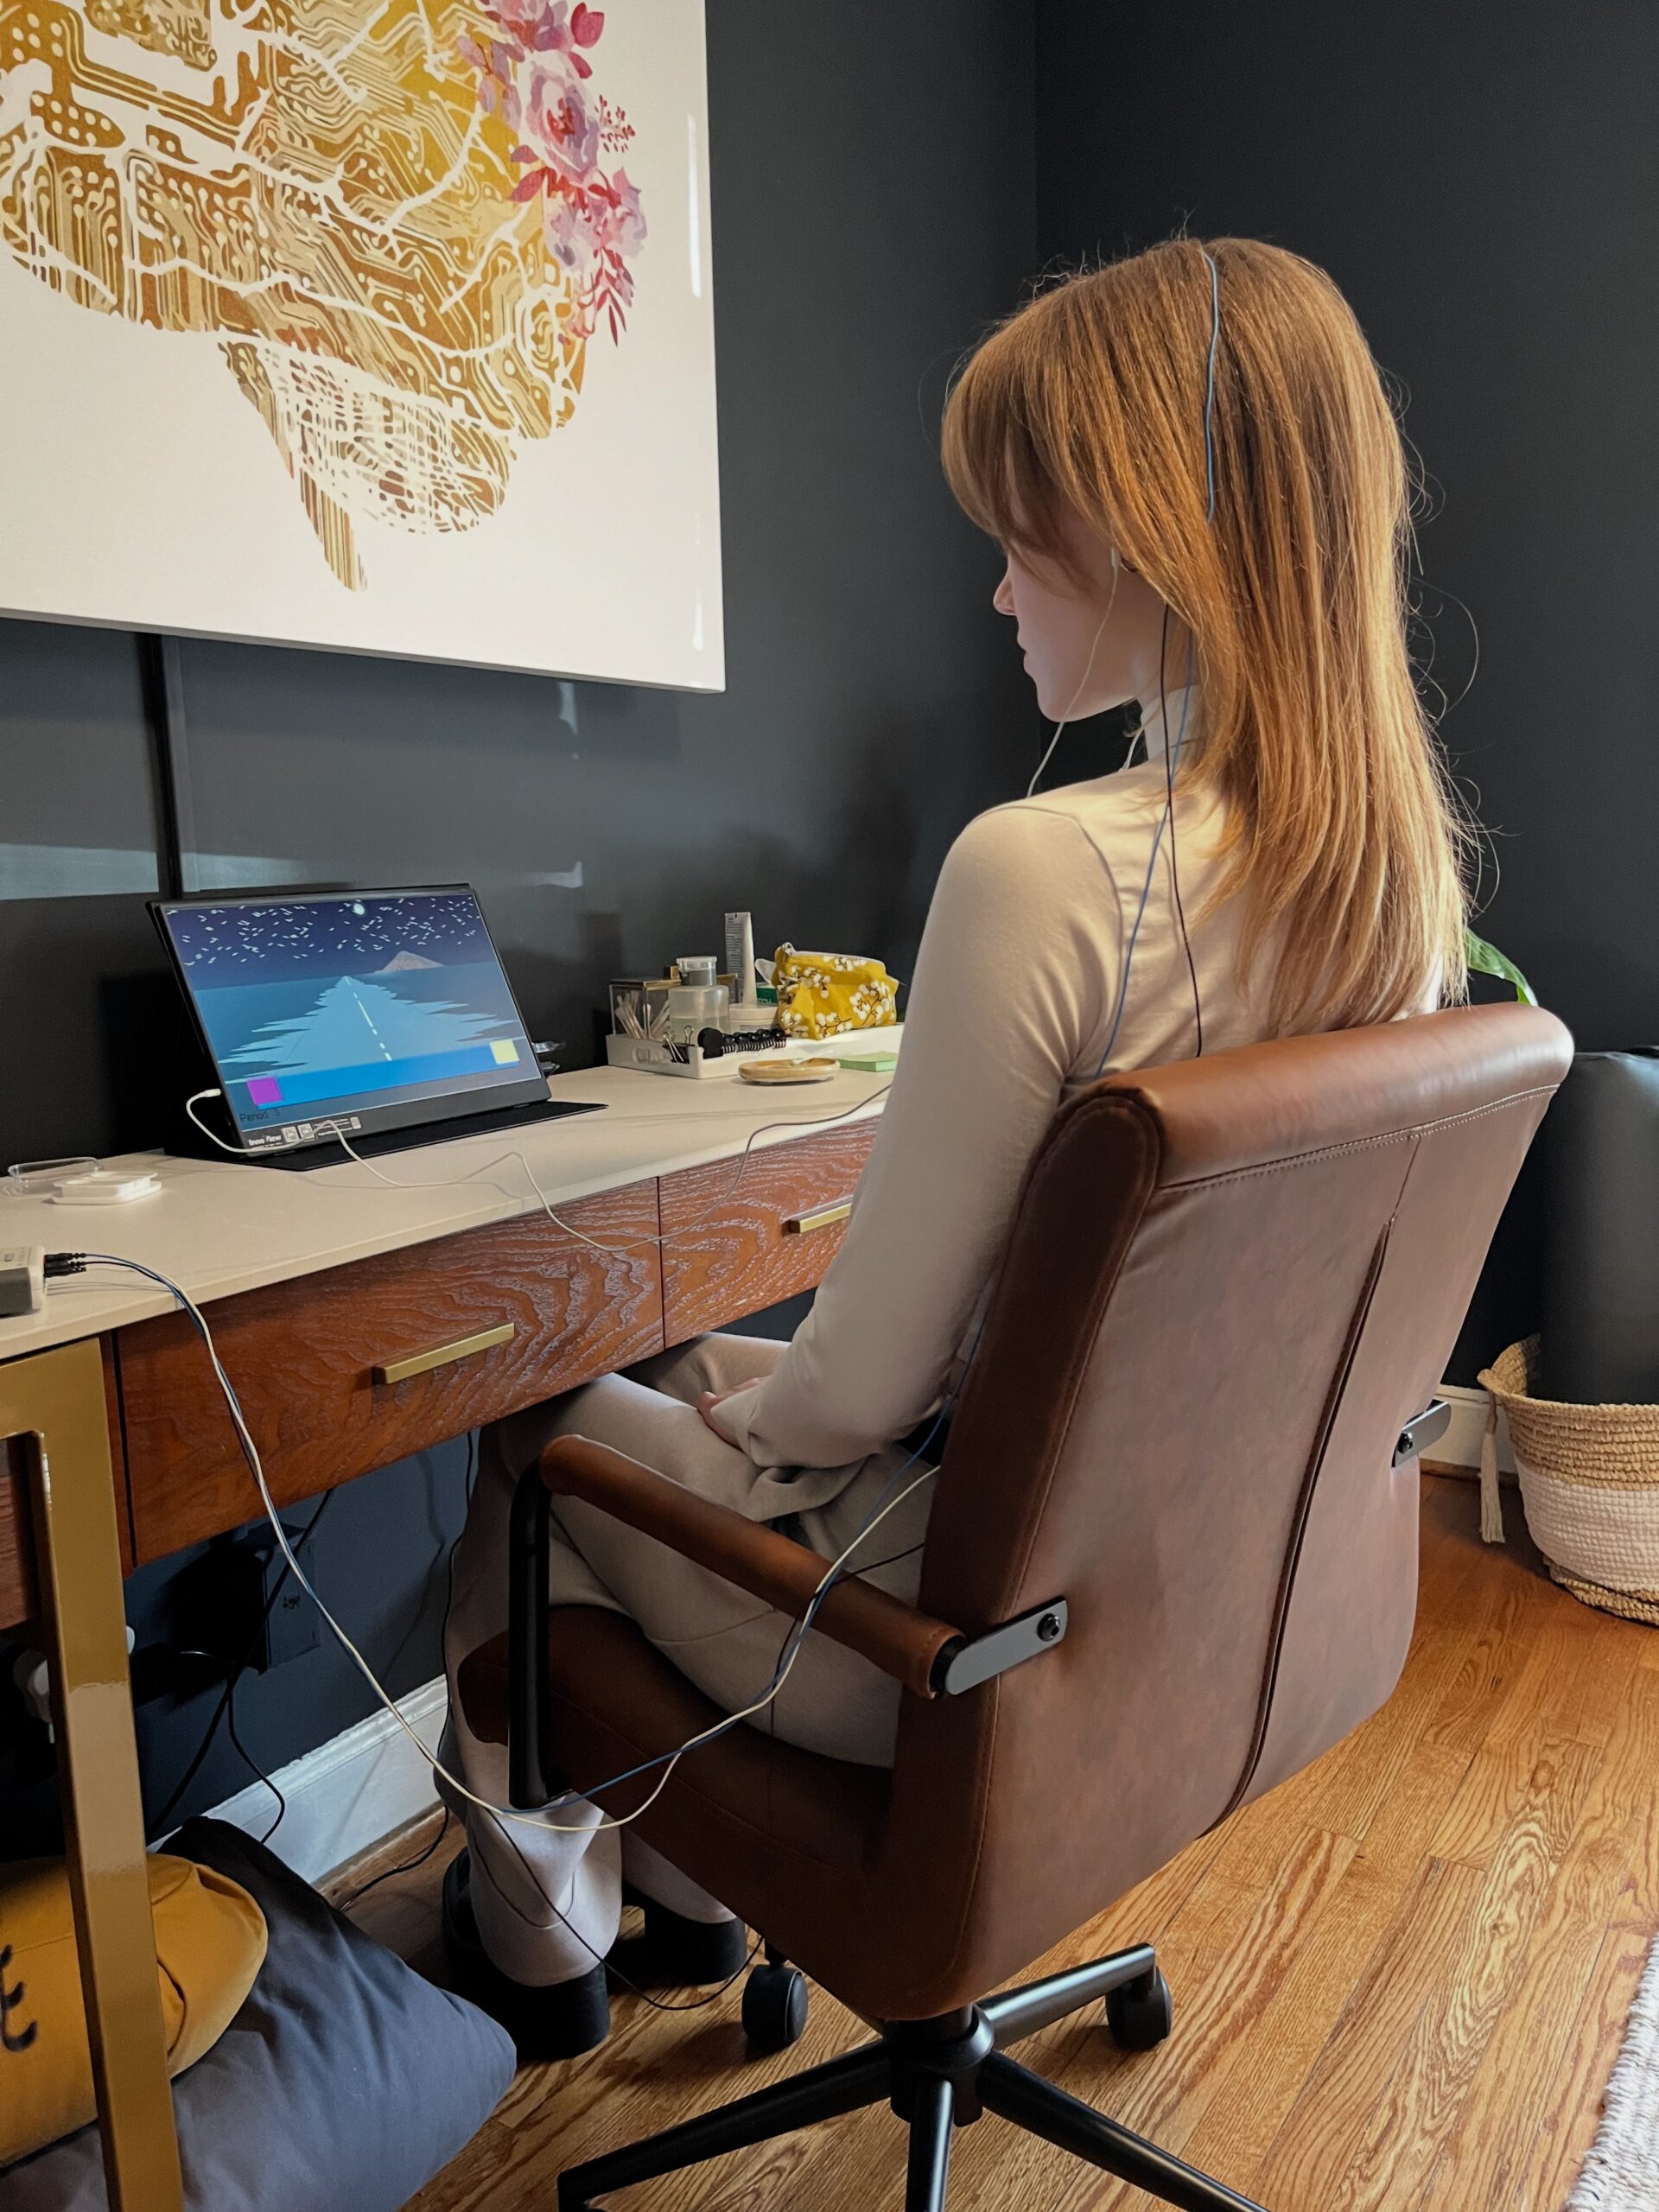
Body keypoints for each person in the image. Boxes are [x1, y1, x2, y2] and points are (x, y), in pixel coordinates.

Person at [439, 235, 1471, 2050]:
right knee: (686, 1365)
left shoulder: (1041, 864)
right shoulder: (1406, 905)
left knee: (531, 1417)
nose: (996, 591)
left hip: (956, 1651)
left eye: (1020, 531)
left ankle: (540, 1955)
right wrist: (745, 1395)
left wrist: (757, 1417)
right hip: (1235, 1606)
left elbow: (852, 1400)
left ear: (1149, 527)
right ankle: (687, 1896)